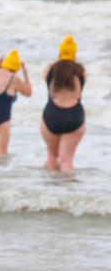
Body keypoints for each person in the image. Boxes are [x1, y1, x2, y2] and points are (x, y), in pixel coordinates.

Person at [40, 35, 87, 171]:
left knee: (51, 157)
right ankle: (68, 185)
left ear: (60, 52)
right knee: (67, 160)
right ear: (74, 53)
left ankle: (49, 185)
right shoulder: (81, 71)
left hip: (52, 114)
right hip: (74, 115)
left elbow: (45, 78)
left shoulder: (50, 69)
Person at [0, 49, 31, 155]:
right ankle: (0, 167)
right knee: (2, 154)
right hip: (1, 117)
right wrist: (25, 74)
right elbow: (28, 93)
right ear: (16, 68)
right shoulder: (14, 78)